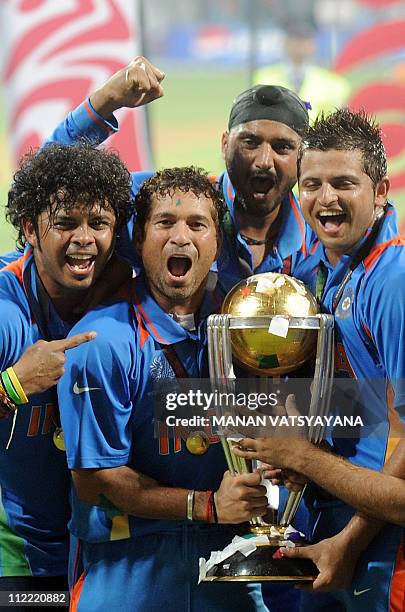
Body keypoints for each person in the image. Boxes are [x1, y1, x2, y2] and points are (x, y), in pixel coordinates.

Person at [57, 166, 270, 612]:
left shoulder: (248, 328)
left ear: (216, 244)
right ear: (138, 242)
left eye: (197, 224)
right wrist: (209, 506)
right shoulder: (102, 344)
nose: (180, 237)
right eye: (164, 223)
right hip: (129, 571)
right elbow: (97, 483)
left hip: (230, 565)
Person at [233, 108, 405, 611]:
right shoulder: (332, 271)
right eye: (312, 184)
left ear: (379, 191)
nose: (325, 199)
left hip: (385, 547)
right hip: (346, 523)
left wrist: (303, 459)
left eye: (343, 183)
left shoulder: (392, 283)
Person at [0, 142, 133, 609]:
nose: (83, 238)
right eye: (65, 224)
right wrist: (12, 385)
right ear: (31, 229)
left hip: (102, 544)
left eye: (98, 223)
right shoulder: (6, 311)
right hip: (17, 548)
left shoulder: (124, 295)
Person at [44, 56, 310, 281]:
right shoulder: (164, 203)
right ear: (225, 144)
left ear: (302, 156)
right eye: (249, 142)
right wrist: (104, 101)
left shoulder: (320, 237)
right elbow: (46, 180)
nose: (264, 160)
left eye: (282, 147)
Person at [254, 22, 350, 122]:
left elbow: (342, 125)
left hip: (318, 136)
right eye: (294, 40)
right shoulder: (264, 78)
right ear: (284, 43)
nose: (299, 45)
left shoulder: (334, 84)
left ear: (313, 44)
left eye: (303, 40)